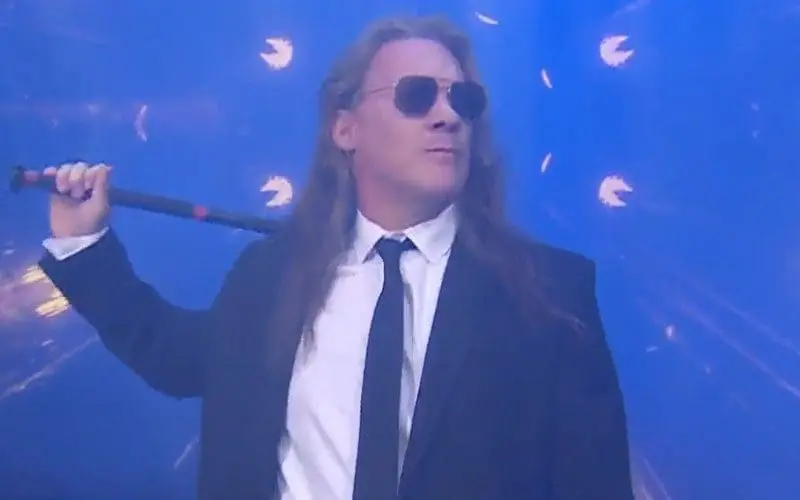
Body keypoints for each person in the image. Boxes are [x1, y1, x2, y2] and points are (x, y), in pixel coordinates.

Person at [38, 15, 634, 500]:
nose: (448, 116)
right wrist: (85, 247)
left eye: (464, 100)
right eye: (416, 95)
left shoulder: (550, 292)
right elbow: (174, 358)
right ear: (345, 128)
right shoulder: (271, 276)